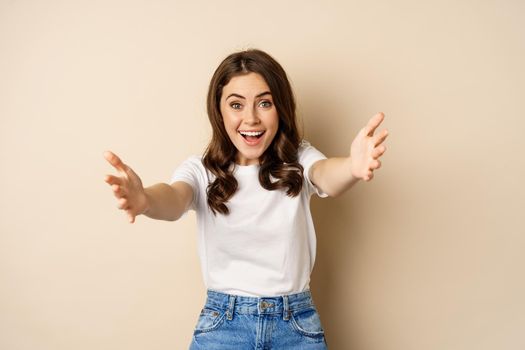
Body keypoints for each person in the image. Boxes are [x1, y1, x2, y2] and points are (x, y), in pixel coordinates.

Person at [103, 48, 388, 349]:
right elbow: (174, 198)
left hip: (296, 325)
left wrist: (352, 168)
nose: (250, 118)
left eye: (264, 103)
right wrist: (145, 198)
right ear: (219, 110)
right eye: (236, 105)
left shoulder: (300, 159)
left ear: (281, 108)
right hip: (223, 326)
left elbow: (327, 175)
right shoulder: (201, 170)